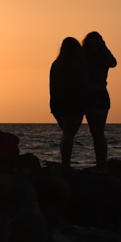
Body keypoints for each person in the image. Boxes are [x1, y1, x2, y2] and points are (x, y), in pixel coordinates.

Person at [49, 37, 86, 169]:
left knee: (67, 134)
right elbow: (82, 85)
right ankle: (66, 164)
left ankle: (65, 163)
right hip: (74, 104)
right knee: (69, 134)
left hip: (58, 105)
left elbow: (52, 86)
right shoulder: (78, 66)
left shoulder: (56, 64)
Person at [82, 31, 117, 171]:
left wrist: (103, 46)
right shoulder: (84, 58)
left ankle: (101, 163)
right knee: (96, 133)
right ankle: (101, 163)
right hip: (91, 96)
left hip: (98, 96)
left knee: (98, 133)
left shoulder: (102, 58)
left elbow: (113, 62)